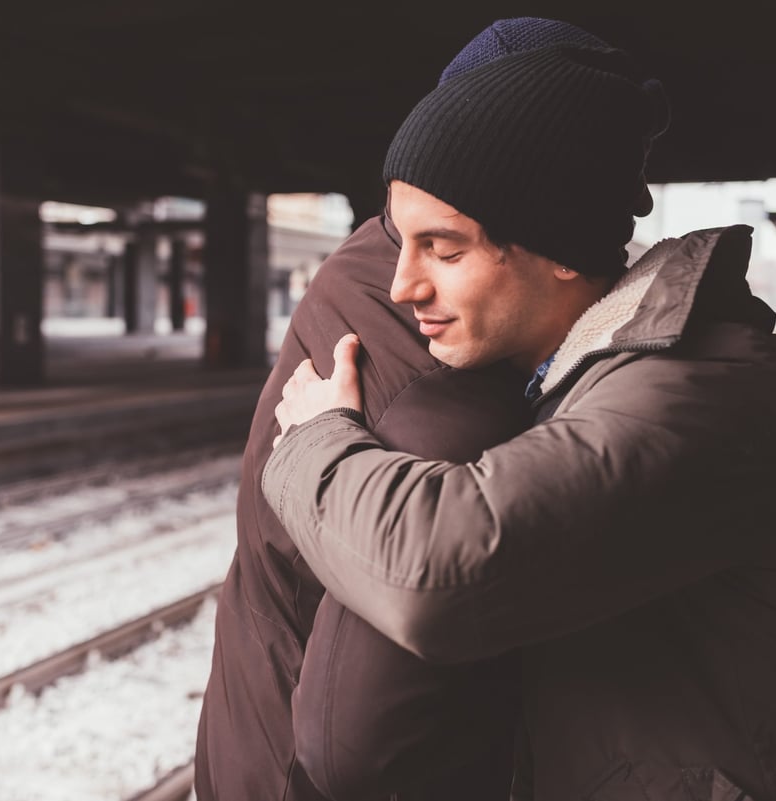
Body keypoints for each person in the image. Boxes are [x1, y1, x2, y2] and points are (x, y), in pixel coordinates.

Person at [265, 18, 776, 801]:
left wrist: (314, 441)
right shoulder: (585, 383)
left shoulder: (694, 388)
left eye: (446, 248)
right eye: (402, 243)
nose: (403, 285)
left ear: (560, 248)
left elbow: (439, 570)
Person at [194, 194, 534, 797]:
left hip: (254, 741)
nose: (408, 283)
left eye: (442, 249)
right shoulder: (442, 400)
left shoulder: (361, 271)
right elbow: (357, 741)